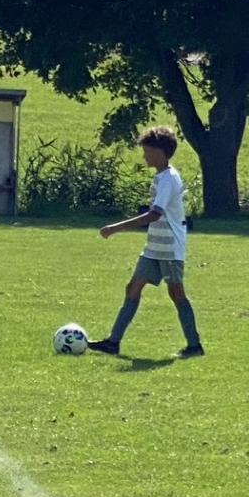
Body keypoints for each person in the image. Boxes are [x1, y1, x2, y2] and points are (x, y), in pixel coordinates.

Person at [90, 126, 204, 358]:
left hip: (169, 247)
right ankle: (113, 342)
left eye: (148, 151)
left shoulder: (169, 179)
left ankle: (194, 346)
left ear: (161, 152)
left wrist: (116, 227)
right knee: (133, 287)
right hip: (154, 246)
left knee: (176, 293)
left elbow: (154, 214)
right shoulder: (161, 176)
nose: (144, 156)